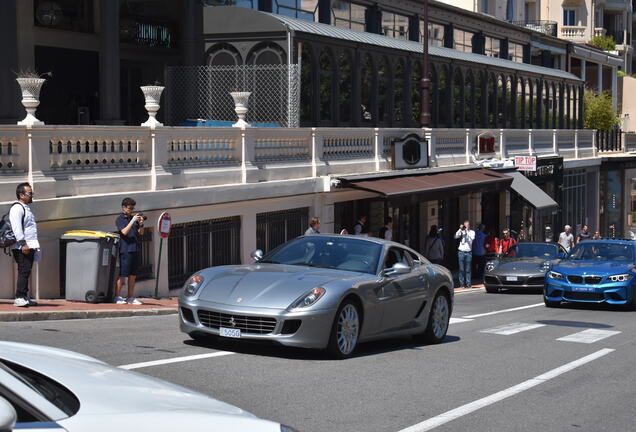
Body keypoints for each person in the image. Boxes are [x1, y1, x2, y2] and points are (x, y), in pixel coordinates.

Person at [9, 183, 39, 307]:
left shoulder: (26, 207)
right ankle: (19, 297)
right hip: (22, 246)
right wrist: (23, 244)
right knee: (24, 270)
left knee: (26, 271)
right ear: (21, 195)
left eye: (32, 193)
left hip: (30, 244)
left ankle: (24, 296)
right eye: (29, 193)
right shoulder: (17, 208)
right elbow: (17, 228)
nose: (32, 195)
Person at [114, 197, 145, 305]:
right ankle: (117, 296)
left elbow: (141, 233)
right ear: (124, 207)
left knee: (133, 275)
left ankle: (130, 297)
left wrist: (141, 224)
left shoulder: (134, 219)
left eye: (132, 208)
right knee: (123, 274)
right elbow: (124, 232)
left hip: (135, 249)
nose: (131, 210)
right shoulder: (120, 219)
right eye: (129, 208)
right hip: (125, 250)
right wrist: (132, 221)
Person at [454, 220, 475, 289]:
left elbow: (472, 238)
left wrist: (467, 231)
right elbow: (455, 236)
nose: (466, 226)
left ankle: (468, 284)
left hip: (468, 252)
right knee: (461, 269)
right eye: (465, 225)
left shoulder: (472, 232)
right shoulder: (461, 231)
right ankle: (462, 284)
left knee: (468, 269)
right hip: (461, 252)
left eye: (467, 225)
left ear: (469, 225)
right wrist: (460, 229)